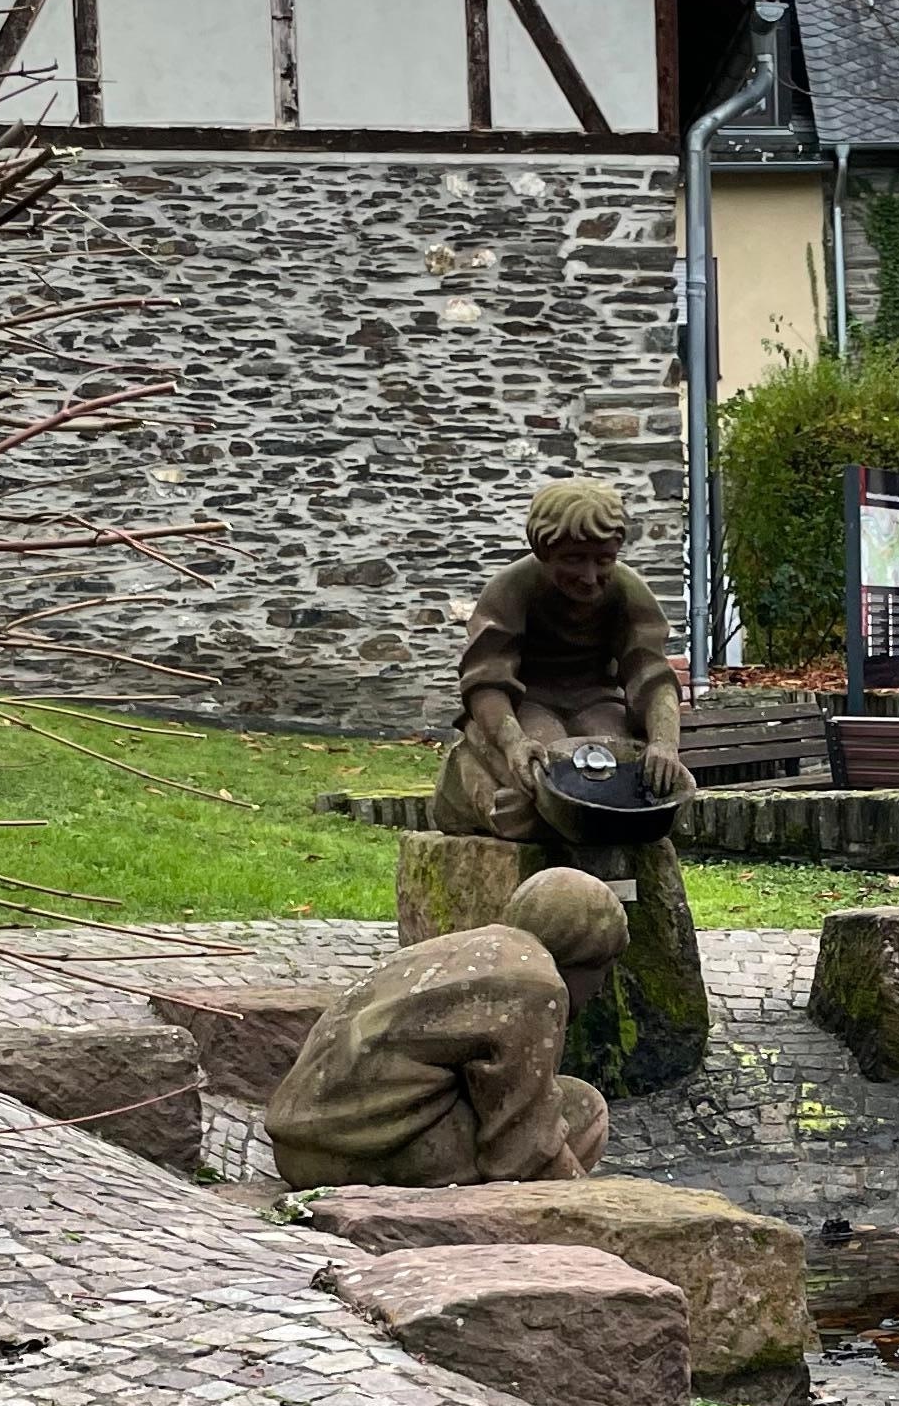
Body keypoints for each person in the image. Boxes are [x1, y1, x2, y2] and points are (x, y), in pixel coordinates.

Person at [266, 869, 629, 1189]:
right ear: (587, 955)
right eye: (603, 971)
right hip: (345, 1155)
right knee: (583, 1111)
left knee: (567, 1100)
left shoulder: (471, 948)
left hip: (296, 1142)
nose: (599, 990)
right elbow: (523, 1146)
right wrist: (588, 1200)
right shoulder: (537, 985)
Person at [432, 478, 696, 841]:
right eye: (574, 559)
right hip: (529, 702)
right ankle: (474, 782)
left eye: (603, 560)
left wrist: (664, 743)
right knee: (551, 769)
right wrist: (513, 742)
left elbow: (651, 676)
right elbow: (486, 681)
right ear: (544, 551)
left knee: (622, 778)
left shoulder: (626, 590)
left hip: (597, 702)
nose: (590, 577)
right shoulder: (511, 589)